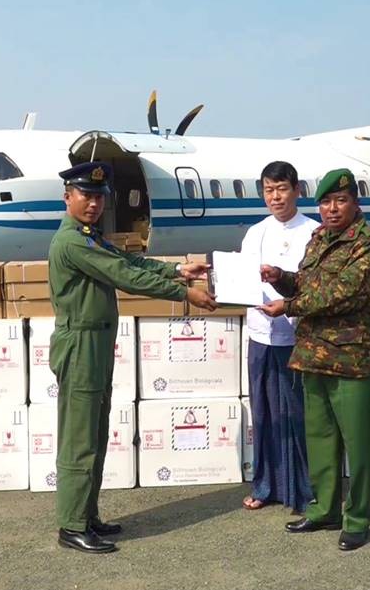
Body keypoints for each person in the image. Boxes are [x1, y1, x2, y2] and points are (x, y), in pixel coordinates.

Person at [47, 161, 217, 554]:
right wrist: (184, 293)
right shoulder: (72, 242)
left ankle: (86, 515)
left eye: (99, 197)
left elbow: (131, 262)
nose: (94, 204)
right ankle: (72, 525)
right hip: (80, 346)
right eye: (86, 196)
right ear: (68, 197)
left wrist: (177, 269)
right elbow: (125, 277)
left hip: (95, 344)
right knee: (80, 439)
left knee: (95, 433)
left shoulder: (89, 237)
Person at [259, 168, 370, 551]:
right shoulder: (319, 238)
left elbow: (341, 294)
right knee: (320, 439)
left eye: (340, 201)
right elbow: (307, 283)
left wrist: (289, 306)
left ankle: (358, 518)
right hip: (313, 355)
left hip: (351, 360)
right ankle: (324, 510)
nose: (332, 209)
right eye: (326, 202)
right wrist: (280, 277)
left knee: (357, 445)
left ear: (355, 203)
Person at [240, 161, 318, 512]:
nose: (275, 197)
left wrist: (287, 303)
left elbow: (315, 287)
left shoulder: (313, 232)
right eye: (269, 190)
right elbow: (242, 280)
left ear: (297, 190)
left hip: (296, 336)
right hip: (260, 334)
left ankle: (304, 487)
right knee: (264, 411)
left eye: (282, 189)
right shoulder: (255, 233)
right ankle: (265, 485)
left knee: (298, 412)